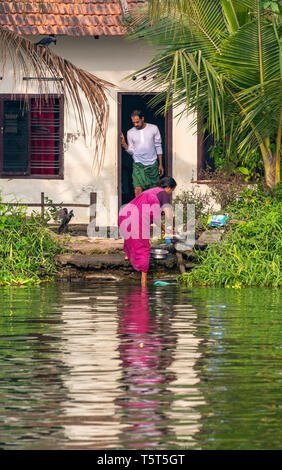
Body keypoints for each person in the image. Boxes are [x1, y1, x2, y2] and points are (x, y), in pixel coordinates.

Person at [118, 176, 177, 287]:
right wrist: (173, 227)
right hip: (136, 219)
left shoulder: (151, 191)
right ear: (168, 187)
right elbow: (169, 215)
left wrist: (165, 230)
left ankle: (128, 255)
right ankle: (144, 282)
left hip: (124, 215)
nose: (170, 194)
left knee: (130, 237)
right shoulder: (163, 194)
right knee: (143, 247)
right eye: (171, 191)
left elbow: (155, 219)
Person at [120, 110, 164, 197]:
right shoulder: (130, 132)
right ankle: (139, 209)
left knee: (153, 191)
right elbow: (132, 151)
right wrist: (124, 145)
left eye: (137, 122)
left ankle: (150, 210)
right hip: (138, 164)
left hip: (152, 164)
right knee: (137, 189)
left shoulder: (153, 128)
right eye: (134, 123)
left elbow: (158, 146)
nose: (135, 124)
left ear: (142, 118)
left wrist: (160, 164)